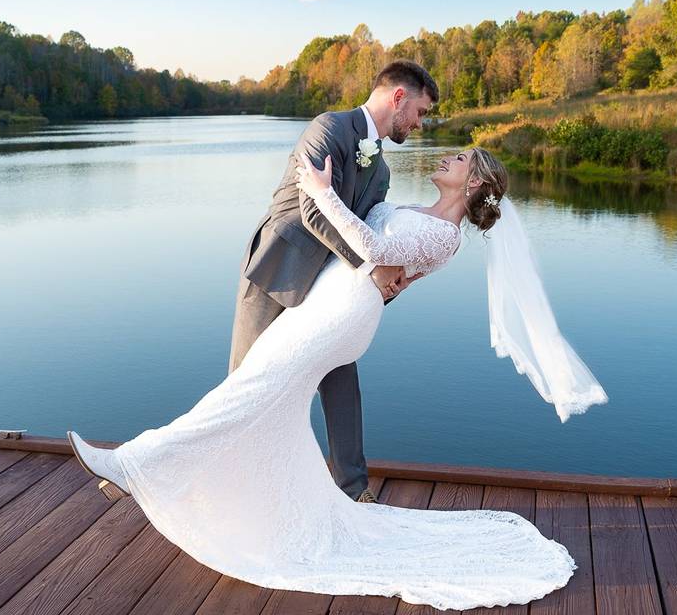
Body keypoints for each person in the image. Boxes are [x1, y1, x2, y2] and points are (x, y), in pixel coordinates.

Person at [68, 143, 608, 609]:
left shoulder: (448, 235)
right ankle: (269, 514)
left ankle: (133, 462)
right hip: (330, 303)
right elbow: (383, 256)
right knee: (269, 405)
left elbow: (373, 249)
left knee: (249, 390)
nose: (448, 157)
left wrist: (323, 192)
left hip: (343, 314)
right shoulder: (423, 212)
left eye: (461, 157)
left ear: (476, 181)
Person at [229, 59, 437, 503]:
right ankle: (177, 468)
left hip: (329, 288)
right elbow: (314, 211)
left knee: (341, 380)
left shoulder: (380, 170)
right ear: (398, 98)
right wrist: (370, 268)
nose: (420, 123)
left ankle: (354, 490)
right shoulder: (329, 128)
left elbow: (368, 233)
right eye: (420, 112)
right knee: (242, 386)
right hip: (277, 271)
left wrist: (395, 275)